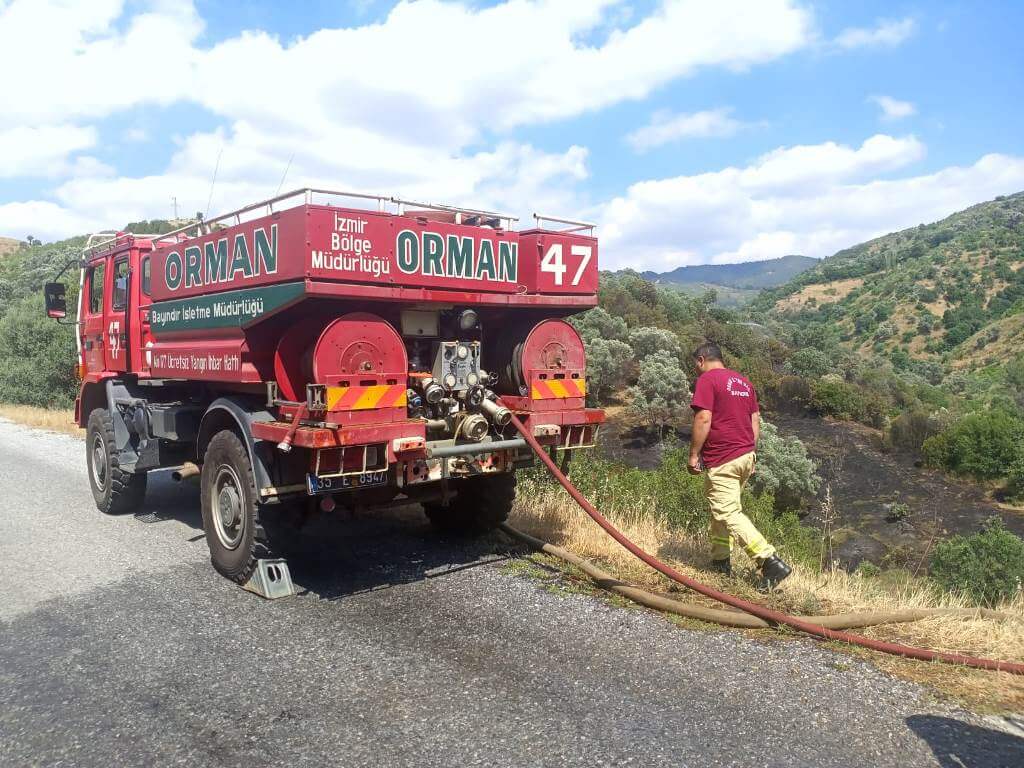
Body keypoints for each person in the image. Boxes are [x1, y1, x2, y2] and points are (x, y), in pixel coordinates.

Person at [687, 342, 791, 586]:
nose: (696, 370)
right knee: (721, 510)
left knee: (728, 511)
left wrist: (693, 454)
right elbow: (755, 421)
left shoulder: (708, 380)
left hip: (724, 458)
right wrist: (750, 453)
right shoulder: (744, 383)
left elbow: (703, 418)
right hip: (745, 456)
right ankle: (720, 562)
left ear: (702, 360)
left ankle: (769, 561)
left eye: (696, 365)